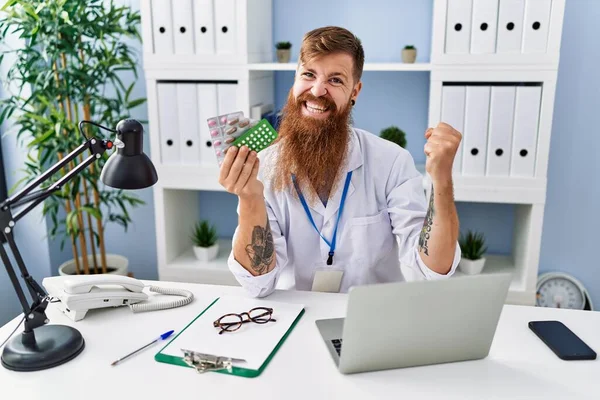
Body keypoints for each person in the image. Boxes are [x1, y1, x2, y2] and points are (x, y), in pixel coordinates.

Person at [219, 26, 462, 297]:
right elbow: (257, 284)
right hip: (294, 316)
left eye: (335, 80)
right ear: (295, 79)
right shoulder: (263, 165)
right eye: (308, 74)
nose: (317, 90)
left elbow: (433, 268)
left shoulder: (392, 162)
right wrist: (250, 198)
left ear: (355, 91)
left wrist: (442, 180)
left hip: (372, 317)